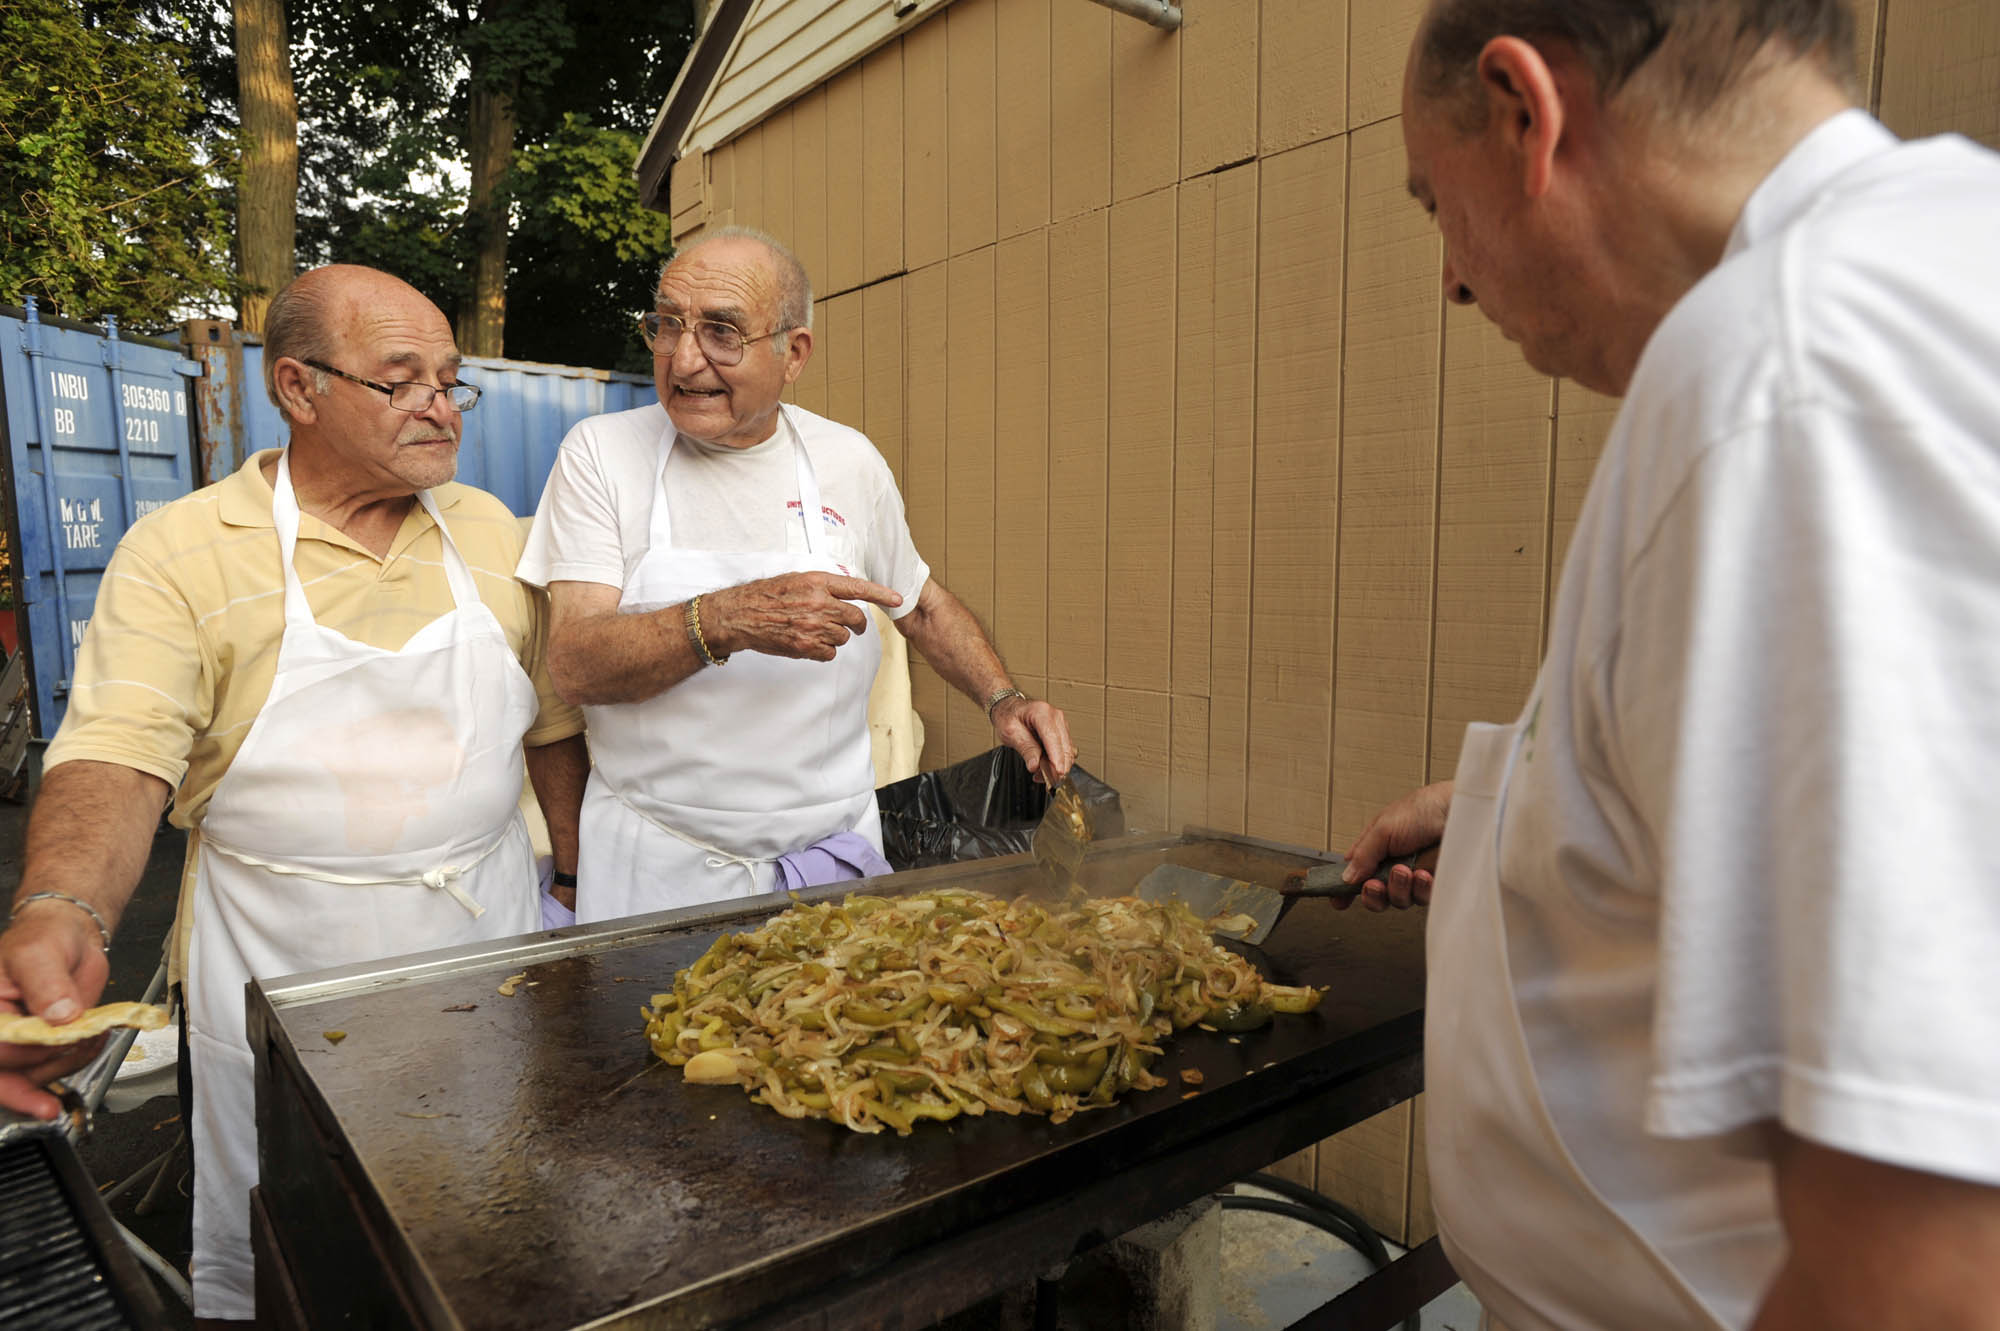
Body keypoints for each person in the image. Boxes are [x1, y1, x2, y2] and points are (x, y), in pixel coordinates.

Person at [1338, 2, 2000, 1327]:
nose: (1454, 280)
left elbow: (1922, 1269)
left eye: (1434, 205)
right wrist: (1505, 807)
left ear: (1527, 113)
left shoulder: (1789, 366)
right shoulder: (1938, 252)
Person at [0, 264, 590, 1327]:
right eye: (401, 379)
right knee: (302, 1247)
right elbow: (117, 756)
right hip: (281, 961)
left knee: (486, 1233)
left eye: (452, 382)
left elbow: (551, 728)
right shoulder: (183, 551)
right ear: (297, 387)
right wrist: (64, 910)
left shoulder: (492, 535)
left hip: (482, 945)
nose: (440, 406)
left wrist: (577, 879)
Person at [519, 227, 1074, 923]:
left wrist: (1003, 697)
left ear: (794, 353)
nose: (684, 359)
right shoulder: (602, 455)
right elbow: (574, 665)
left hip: (826, 872)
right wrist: (725, 618)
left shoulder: (849, 460)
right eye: (668, 325)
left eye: (722, 331)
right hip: (659, 875)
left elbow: (921, 604)